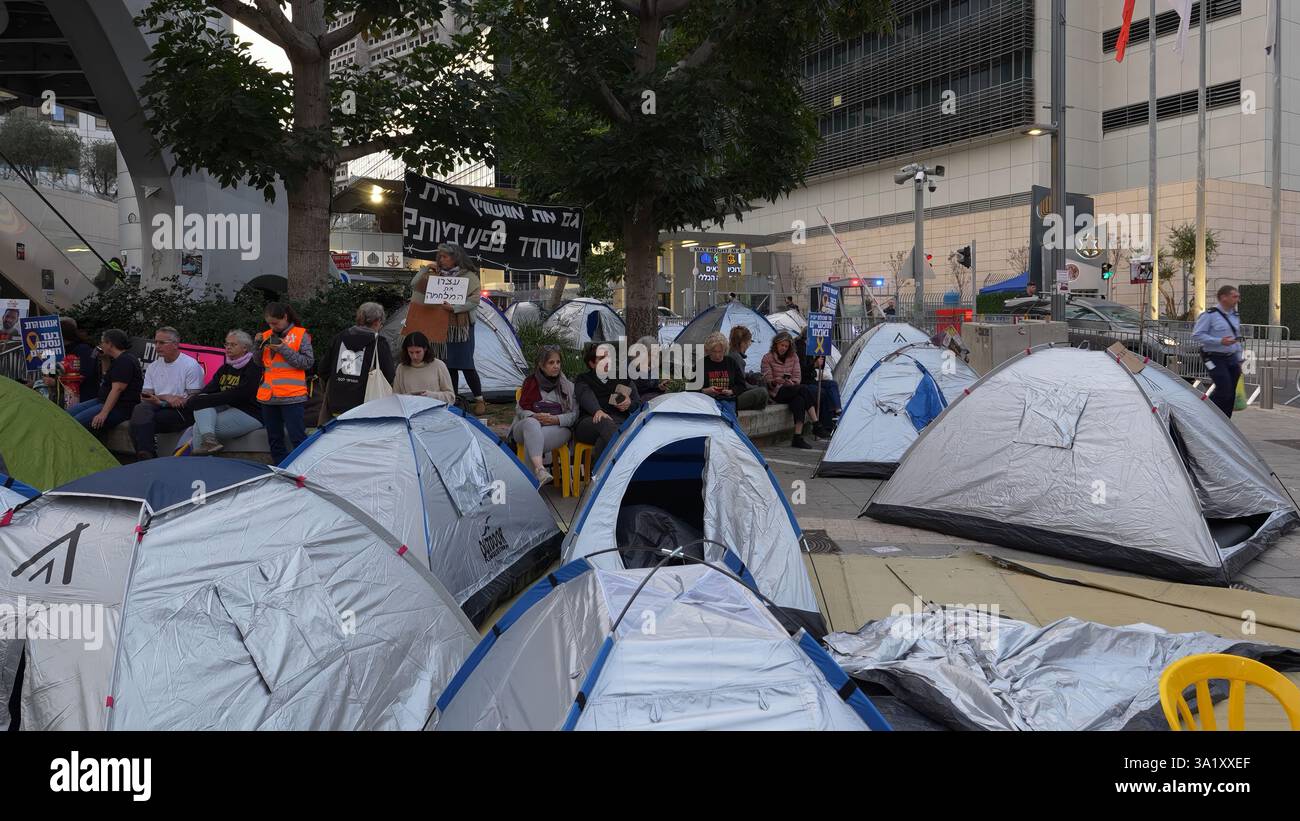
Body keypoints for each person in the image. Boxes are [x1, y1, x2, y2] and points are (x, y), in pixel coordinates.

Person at [128, 326, 206, 459]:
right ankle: (147, 455)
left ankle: (146, 457)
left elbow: (195, 399)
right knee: (141, 411)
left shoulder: (190, 365)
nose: (157, 346)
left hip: (182, 411)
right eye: (156, 342)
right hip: (156, 407)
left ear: (175, 344)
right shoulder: (153, 366)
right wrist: (164, 398)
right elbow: (145, 396)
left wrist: (163, 403)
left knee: (137, 423)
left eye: (162, 343)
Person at [256, 302, 314, 463]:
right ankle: (280, 469)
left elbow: (308, 363)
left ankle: (303, 469)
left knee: (297, 437)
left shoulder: (301, 334)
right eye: (269, 323)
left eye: (275, 322)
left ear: (285, 317)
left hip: (292, 397)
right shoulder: (267, 334)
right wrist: (257, 346)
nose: (272, 326)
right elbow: (258, 363)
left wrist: (283, 349)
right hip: (268, 396)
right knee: (274, 439)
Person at [190, 330, 265, 454]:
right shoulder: (225, 368)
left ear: (245, 348)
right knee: (201, 400)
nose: (228, 347)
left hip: (251, 412)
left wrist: (204, 399)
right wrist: (198, 399)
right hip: (228, 409)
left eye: (233, 345)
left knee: (199, 427)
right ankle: (209, 445)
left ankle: (201, 466)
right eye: (226, 344)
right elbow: (208, 391)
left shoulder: (254, 365)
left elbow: (242, 394)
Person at [511, 345, 577, 485]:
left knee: (533, 441)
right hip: (524, 428)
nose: (556, 366)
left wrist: (556, 419)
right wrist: (534, 416)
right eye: (551, 363)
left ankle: (531, 485)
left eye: (558, 362)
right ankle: (540, 469)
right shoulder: (530, 383)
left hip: (557, 428)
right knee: (531, 424)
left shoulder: (568, 386)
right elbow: (520, 410)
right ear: (541, 365)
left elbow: (574, 415)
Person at [434, 243, 486, 415]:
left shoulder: (470, 276)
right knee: (450, 365)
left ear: (455, 257)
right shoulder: (437, 276)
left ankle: (479, 400)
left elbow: (475, 301)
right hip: (443, 326)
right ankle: (453, 399)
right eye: (440, 257)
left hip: (463, 327)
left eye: (445, 256)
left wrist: (454, 307)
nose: (441, 260)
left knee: (466, 364)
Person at [319, 302, 396, 417]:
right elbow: (389, 375)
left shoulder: (339, 338)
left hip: (337, 403)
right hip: (366, 405)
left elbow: (323, 370)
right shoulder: (379, 343)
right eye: (381, 322)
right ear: (376, 321)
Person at [574, 342, 642, 464]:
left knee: (604, 441)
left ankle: (599, 478)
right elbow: (585, 396)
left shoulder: (623, 379)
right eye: (601, 358)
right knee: (604, 420)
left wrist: (629, 404)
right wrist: (597, 410)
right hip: (590, 423)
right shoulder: (584, 379)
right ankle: (629, 460)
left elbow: (638, 405)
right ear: (592, 364)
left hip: (617, 424)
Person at [68, 329, 142, 432]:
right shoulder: (118, 360)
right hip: (102, 399)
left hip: (119, 407)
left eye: (103, 342)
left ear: (110, 344)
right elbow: (105, 379)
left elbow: (118, 389)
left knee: (77, 422)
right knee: (67, 414)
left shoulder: (125, 361)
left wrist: (103, 413)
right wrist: (104, 359)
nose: (101, 345)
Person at [1193, 285, 1245, 419]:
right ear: (1224, 298)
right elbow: (1197, 335)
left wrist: (1239, 358)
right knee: (1224, 388)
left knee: (1231, 393)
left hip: (1231, 357)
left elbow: (1236, 338)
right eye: (1235, 296)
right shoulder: (1210, 315)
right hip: (1213, 357)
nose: (1238, 300)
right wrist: (1219, 341)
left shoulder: (1235, 315)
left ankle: (1225, 421)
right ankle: (1206, 414)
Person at [762, 331, 819, 449]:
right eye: (781, 345)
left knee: (799, 400)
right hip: (777, 392)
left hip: (792, 388)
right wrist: (775, 381)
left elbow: (797, 378)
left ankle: (797, 437)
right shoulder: (767, 358)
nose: (783, 348)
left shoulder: (794, 357)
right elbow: (767, 380)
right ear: (776, 344)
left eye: (786, 346)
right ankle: (816, 423)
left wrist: (790, 382)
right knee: (803, 389)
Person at [392, 331, 457, 403]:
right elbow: (395, 397)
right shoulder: (401, 368)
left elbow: (451, 397)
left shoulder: (439, 365)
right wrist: (409, 397)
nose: (414, 356)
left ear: (425, 349)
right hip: (410, 411)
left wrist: (432, 395)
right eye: (411, 352)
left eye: (418, 352)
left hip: (435, 411)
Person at [47, 317, 99, 405]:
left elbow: (84, 374)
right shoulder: (60, 351)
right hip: (65, 397)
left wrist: (57, 382)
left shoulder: (83, 349)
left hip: (83, 397)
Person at [696, 332, 748, 410]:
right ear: (708, 351)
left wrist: (731, 391)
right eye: (714, 352)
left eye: (720, 352)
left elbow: (742, 385)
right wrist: (705, 391)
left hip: (729, 399)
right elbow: (690, 387)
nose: (717, 355)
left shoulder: (731, 362)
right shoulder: (701, 364)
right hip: (708, 401)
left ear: (725, 350)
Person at [727, 326, 770, 411]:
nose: (749, 344)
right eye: (749, 341)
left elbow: (737, 376)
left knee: (757, 378)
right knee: (762, 392)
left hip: (732, 394)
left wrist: (750, 375)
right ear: (743, 343)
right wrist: (755, 387)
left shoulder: (731, 354)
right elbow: (742, 385)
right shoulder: (736, 358)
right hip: (733, 398)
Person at [801, 346, 841, 439]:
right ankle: (833, 417)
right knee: (825, 391)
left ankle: (837, 410)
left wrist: (817, 368)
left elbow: (826, 372)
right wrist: (815, 367)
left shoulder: (820, 352)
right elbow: (806, 371)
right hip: (808, 381)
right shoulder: (804, 350)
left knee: (832, 384)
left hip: (815, 380)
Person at [630, 335, 669, 402]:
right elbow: (636, 390)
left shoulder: (653, 366)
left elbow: (652, 387)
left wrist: (660, 387)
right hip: (639, 401)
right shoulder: (631, 367)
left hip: (653, 398)